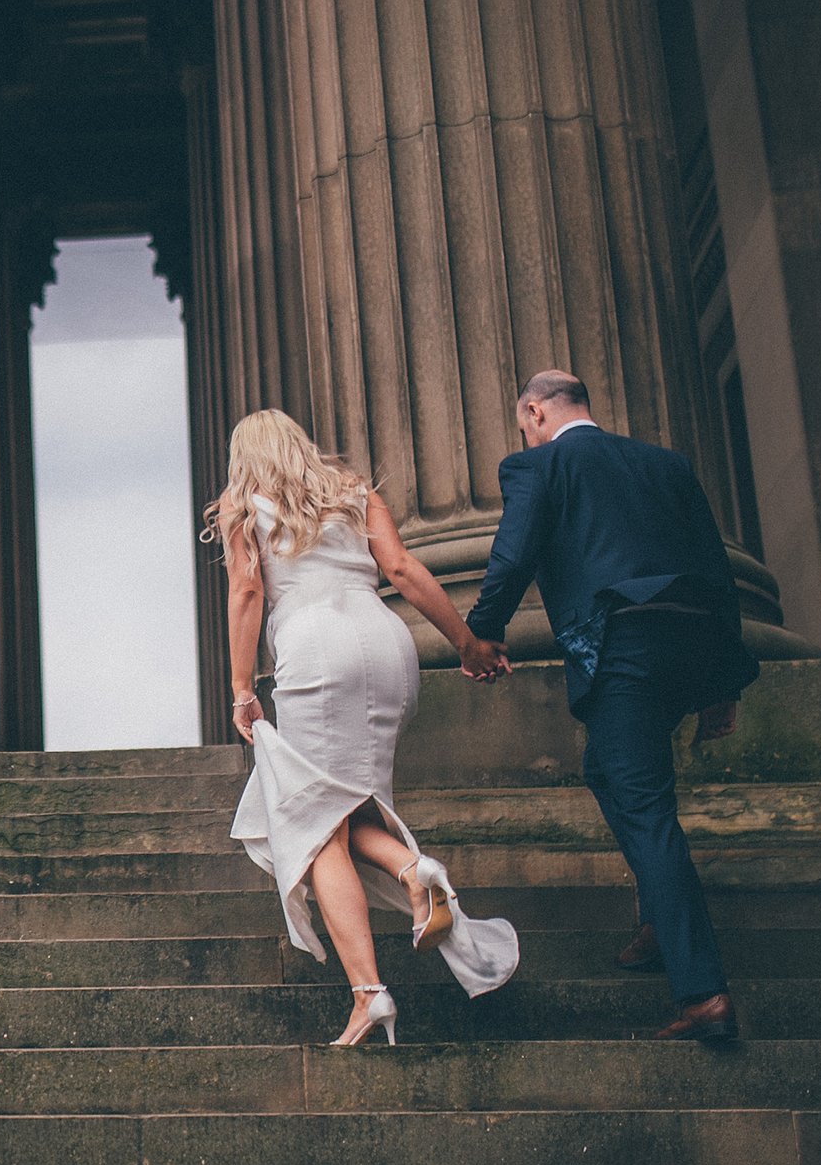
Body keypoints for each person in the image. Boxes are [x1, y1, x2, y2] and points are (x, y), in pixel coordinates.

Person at [460, 371, 759, 1042]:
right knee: (609, 771)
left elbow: (512, 557)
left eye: (523, 421)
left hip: (622, 645)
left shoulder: (539, 463)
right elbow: (717, 572)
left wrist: (481, 633)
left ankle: (703, 992)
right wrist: (723, 682)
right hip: (690, 644)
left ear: (535, 411)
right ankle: (660, 917)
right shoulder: (665, 464)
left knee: (649, 810)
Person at [212, 409, 520, 1047]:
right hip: (387, 644)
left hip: (315, 651)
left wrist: (243, 688)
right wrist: (465, 644)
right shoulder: (354, 492)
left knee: (316, 824)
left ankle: (371, 987)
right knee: (345, 813)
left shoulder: (243, 505)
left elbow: (247, 592)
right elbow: (402, 569)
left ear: (246, 457)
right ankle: (414, 877)